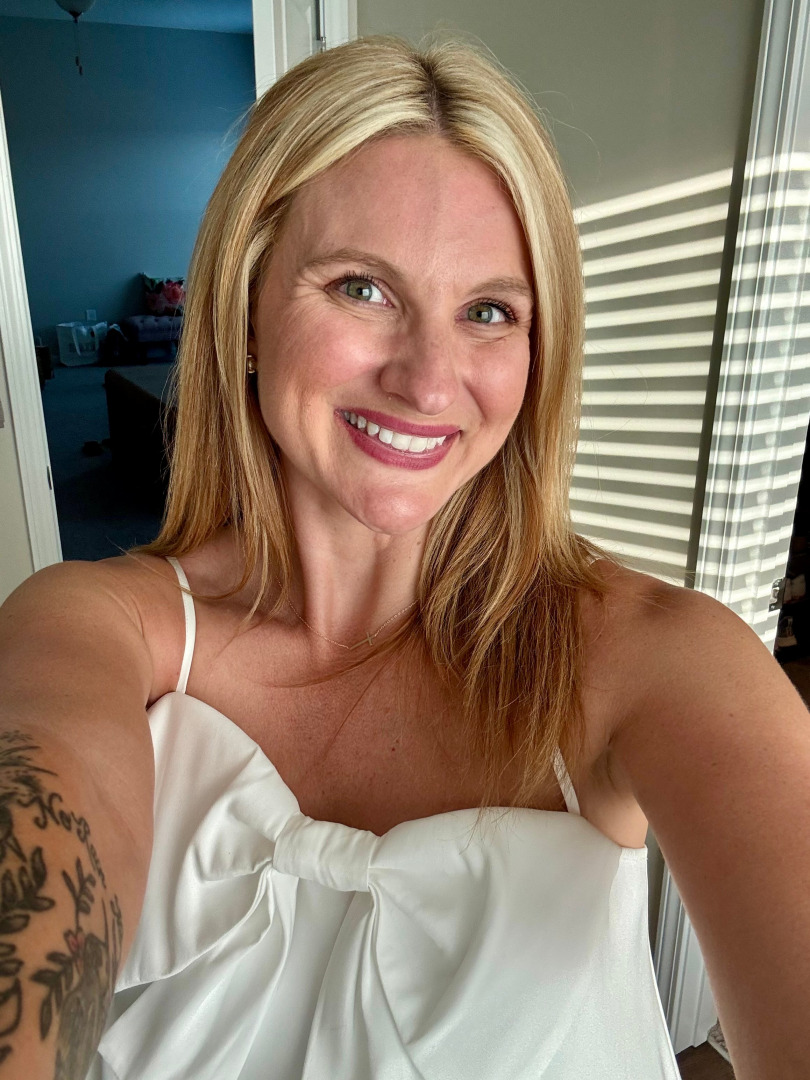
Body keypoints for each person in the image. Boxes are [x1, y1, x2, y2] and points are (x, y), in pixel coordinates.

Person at [0, 34, 808, 1080]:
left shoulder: (655, 660)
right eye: (362, 289)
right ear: (245, 310)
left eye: (489, 312)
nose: (428, 382)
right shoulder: (91, 625)